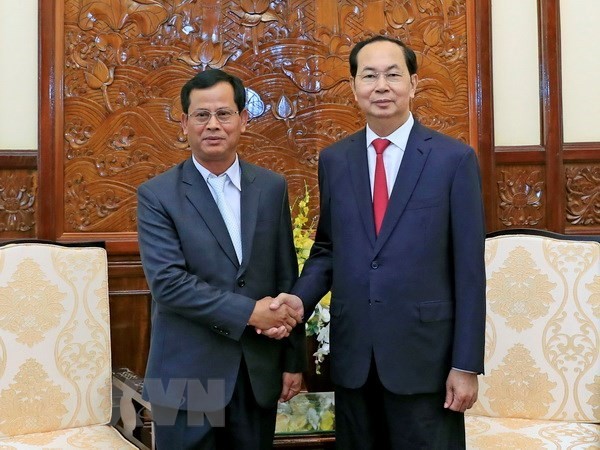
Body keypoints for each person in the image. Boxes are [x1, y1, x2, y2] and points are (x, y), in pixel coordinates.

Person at [268, 35, 487, 449]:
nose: (381, 86)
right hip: (356, 360)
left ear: (413, 84)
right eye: (369, 76)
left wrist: (465, 364)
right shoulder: (336, 159)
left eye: (392, 75)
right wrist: (300, 300)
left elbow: (469, 272)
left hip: (426, 361)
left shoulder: (453, 160)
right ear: (354, 87)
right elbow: (329, 248)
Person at [137, 68, 306, 450]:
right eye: (201, 115)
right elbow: (169, 284)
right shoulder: (157, 195)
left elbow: (285, 275)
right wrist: (251, 313)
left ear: (243, 120)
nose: (213, 124)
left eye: (224, 114)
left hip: (256, 370)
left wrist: (293, 361)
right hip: (187, 376)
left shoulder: (271, 186)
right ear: (184, 124)